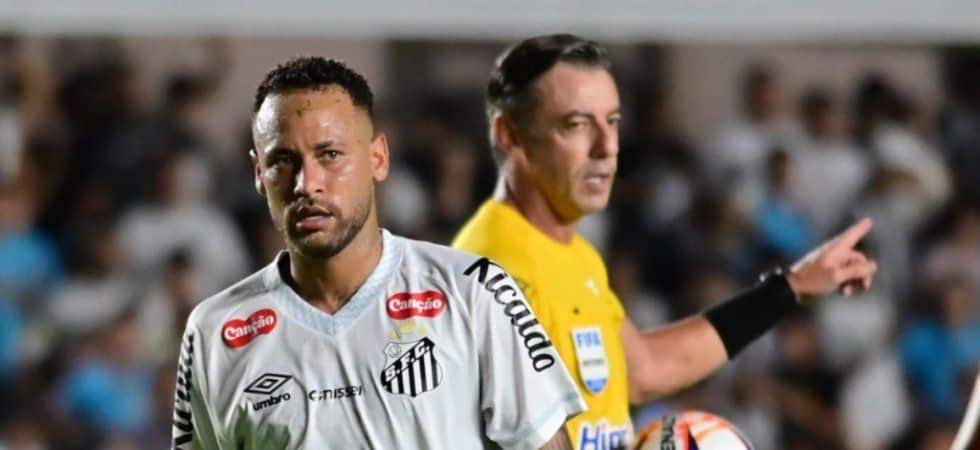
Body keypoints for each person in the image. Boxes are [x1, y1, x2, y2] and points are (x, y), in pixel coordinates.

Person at [452, 34, 877, 450]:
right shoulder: (494, 271)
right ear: (509, 134)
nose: (607, 147)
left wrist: (790, 287)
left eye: (612, 122)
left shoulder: (573, 252)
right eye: (577, 124)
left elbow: (643, 370)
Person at [171, 56, 586, 450]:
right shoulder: (214, 331)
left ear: (378, 159)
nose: (306, 183)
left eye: (330, 155)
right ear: (258, 174)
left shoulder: (473, 291)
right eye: (282, 160)